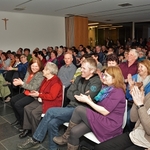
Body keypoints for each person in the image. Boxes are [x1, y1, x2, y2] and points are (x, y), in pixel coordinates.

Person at [17, 58, 102, 150]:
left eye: (84, 68)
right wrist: (80, 94)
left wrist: (77, 93)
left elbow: (85, 99)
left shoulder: (96, 82)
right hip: (71, 107)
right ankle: (53, 148)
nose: (81, 70)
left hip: (82, 111)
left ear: (92, 70)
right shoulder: (78, 78)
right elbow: (69, 93)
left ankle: (36, 139)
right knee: (52, 123)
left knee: (50, 112)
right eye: (81, 67)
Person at [54, 66, 126, 150]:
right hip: (100, 119)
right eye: (103, 75)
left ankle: (65, 137)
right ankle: (67, 136)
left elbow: (105, 111)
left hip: (109, 124)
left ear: (114, 78)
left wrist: (88, 102)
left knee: (79, 109)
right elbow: (101, 106)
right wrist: (89, 100)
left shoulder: (118, 91)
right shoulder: (107, 89)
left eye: (106, 76)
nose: (103, 77)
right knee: (74, 132)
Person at [95, 85, 150, 150]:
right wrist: (136, 101)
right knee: (99, 148)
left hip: (146, 143)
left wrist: (140, 105)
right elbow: (133, 119)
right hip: (135, 135)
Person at [19, 62, 63, 138]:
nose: (43, 71)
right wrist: (37, 93)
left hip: (52, 103)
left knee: (34, 113)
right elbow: (42, 90)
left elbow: (52, 97)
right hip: (43, 99)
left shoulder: (56, 82)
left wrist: (39, 95)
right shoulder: (46, 79)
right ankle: (28, 128)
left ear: (49, 71)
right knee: (27, 108)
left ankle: (36, 134)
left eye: (45, 69)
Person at [10, 58, 44, 127]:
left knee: (18, 105)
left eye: (36, 66)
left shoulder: (40, 74)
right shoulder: (29, 72)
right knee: (12, 100)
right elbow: (25, 82)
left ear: (40, 66)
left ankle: (24, 123)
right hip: (26, 92)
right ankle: (19, 119)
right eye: (33, 66)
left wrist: (22, 83)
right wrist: (19, 82)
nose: (34, 68)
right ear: (30, 65)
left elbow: (33, 88)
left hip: (33, 95)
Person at [126, 59, 150, 131]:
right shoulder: (134, 77)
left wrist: (140, 90)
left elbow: (147, 97)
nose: (139, 68)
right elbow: (127, 96)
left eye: (141, 67)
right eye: (138, 67)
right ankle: (130, 132)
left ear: (148, 67)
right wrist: (130, 88)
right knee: (128, 119)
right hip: (132, 103)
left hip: (145, 105)